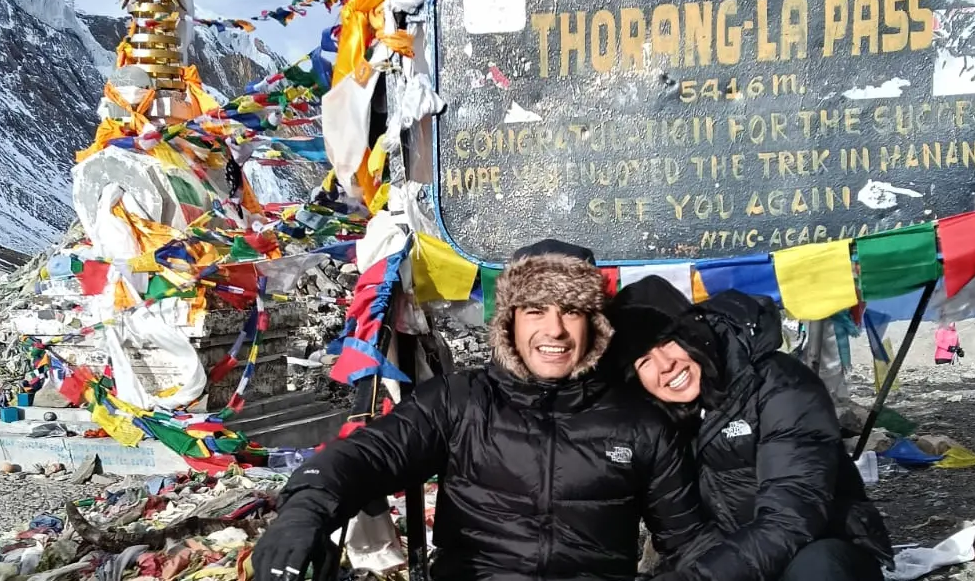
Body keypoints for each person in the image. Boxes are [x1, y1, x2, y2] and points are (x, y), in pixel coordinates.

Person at [254, 240, 708, 581]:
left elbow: (687, 543)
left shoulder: (641, 423)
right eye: (535, 310)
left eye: (571, 311)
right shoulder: (461, 400)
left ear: (594, 324)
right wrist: (305, 510)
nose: (554, 329)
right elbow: (369, 455)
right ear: (510, 321)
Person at [606, 275, 893, 581]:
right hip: (739, 563)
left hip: (821, 547)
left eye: (667, 342)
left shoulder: (779, 384)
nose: (665, 365)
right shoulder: (662, 422)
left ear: (693, 332)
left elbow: (792, 516)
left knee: (818, 566)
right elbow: (686, 538)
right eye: (644, 362)